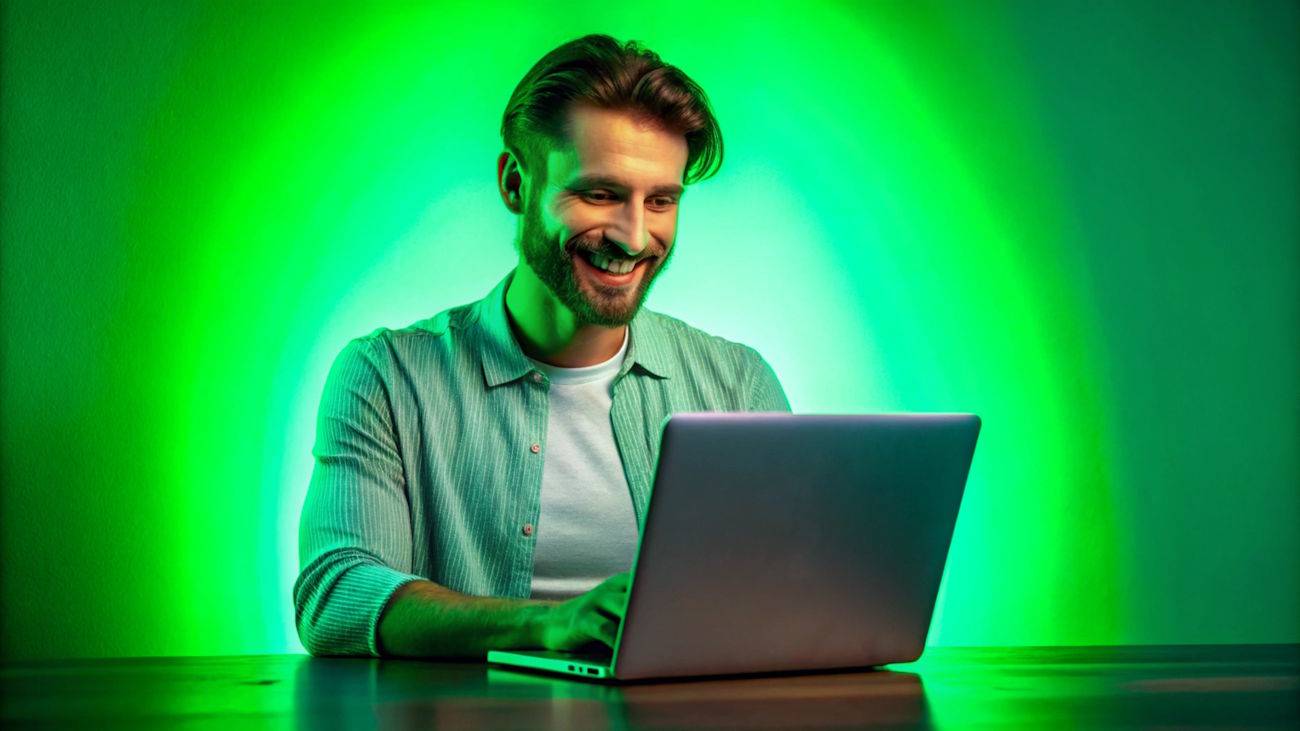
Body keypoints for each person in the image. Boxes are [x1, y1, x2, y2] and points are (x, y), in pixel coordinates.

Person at [293, 34, 790, 658]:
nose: (635, 237)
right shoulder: (386, 378)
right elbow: (336, 596)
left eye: (660, 201)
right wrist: (546, 625)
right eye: (600, 194)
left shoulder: (738, 384)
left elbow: (792, 592)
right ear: (514, 183)